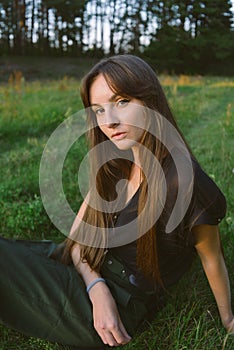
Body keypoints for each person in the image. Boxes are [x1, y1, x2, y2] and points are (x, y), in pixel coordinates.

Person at [0, 54, 233, 349]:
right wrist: (96, 285)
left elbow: (212, 258)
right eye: (99, 110)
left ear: (150, 102)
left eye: (122, 102)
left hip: (116, 312)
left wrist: (229, 320)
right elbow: (76, 243)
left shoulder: (185, 181)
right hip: (89, 276)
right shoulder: (114, 164)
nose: (108, 122)